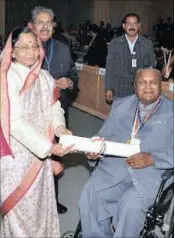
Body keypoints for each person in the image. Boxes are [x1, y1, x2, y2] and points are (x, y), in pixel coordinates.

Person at [79, 68, 173, 238]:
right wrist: (94, 150)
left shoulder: (172, 112)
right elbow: (103, 135)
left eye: (153, 82)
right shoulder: (121, 105)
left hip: (151, 174)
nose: (148, 87)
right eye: (142, 82)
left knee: (130, 205)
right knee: (91, 191)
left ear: (161, 86)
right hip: (116, 167)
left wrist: (153, 158)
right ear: (134, 86)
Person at [0, 27, 75, 237]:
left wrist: (59, 127)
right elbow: (14, 121)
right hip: (16, 157)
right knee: (19, 210)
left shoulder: (44, 76)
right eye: (24, 47)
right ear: (12, 52)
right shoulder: (7, 77)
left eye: (34, 46)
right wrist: (49, 147)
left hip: (40, 157)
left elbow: (54, 106)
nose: (31, 52)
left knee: (40, 207)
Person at [28, 6, 79, 214]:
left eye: (49, 22)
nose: (45, 26)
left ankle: (52, 200)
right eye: (40, 22)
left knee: (55, 158)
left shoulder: (63, 48)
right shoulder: (23, 48)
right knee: (32, 160)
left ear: (54, 26)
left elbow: (74, 76)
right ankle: (31, 203)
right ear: (31, 26)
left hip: (57, 115)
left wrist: (69, 81)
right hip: (30, 117)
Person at [105, 13, 155, 103]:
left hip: (140, 91)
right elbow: (110, 68)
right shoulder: (115, 43)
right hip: (119, 90)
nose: (132, 26)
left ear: (139, 25)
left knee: (139, 117)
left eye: (135, 24)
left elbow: (151, 68)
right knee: (120, 116)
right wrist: (108, 88)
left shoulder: (147, 44)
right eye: (129, 24)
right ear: (124, 26)